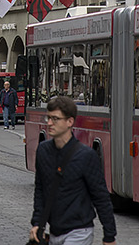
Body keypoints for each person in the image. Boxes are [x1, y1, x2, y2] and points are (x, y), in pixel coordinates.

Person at [30, 96, 117, 245]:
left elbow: (101, 197)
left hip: (79, 231)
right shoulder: (43, 150)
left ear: (70, 122)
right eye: (48, 118)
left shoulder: (85, 156)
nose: (50, 123)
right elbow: (40, 190)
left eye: (55, 119)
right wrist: (37, 222)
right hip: (54, 231)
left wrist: (109, 236)